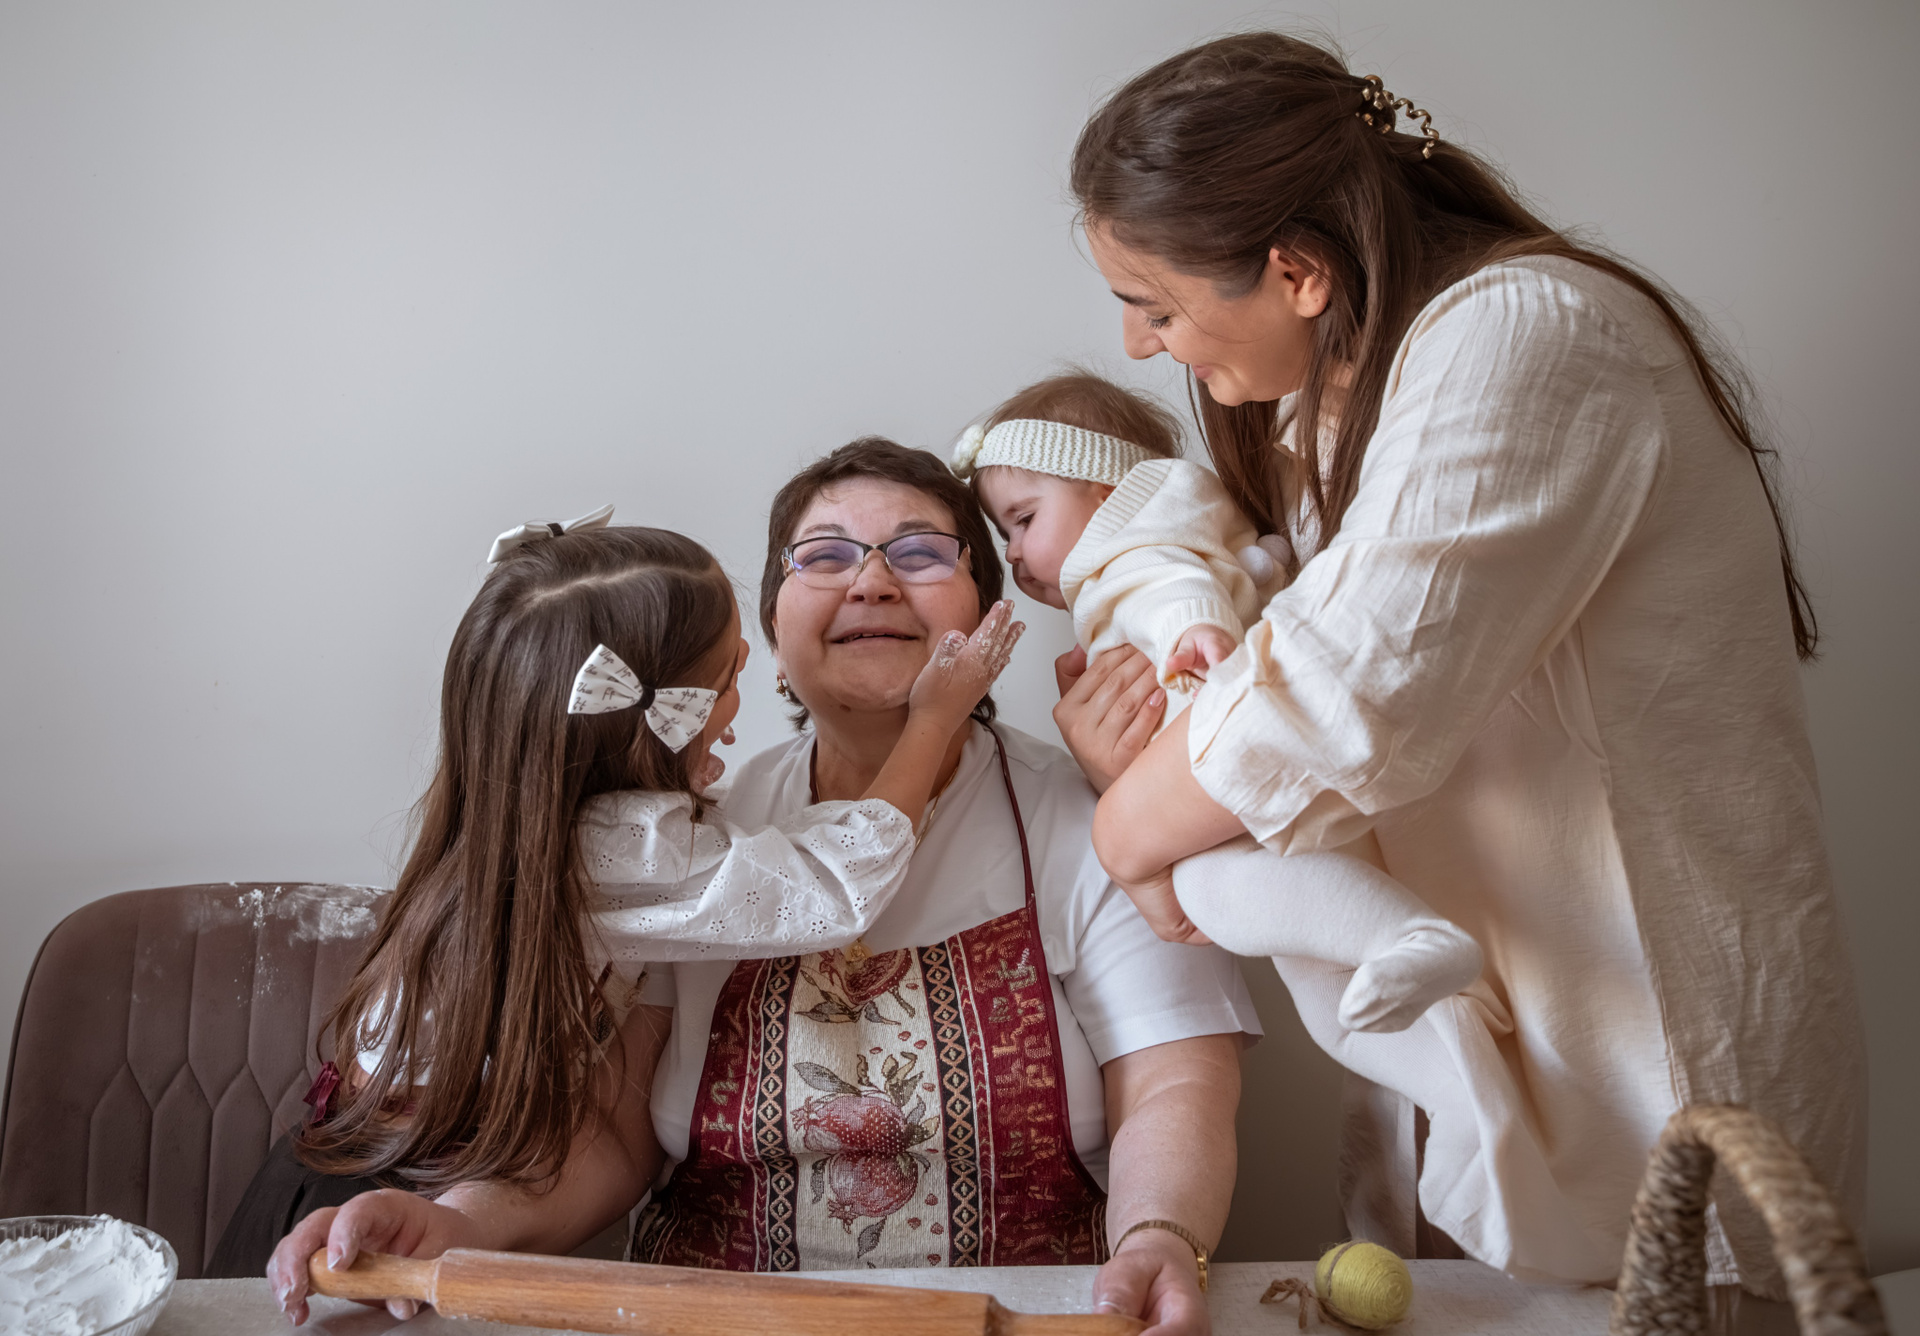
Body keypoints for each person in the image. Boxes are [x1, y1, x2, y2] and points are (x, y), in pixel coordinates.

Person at [1056, 30, 1866, 1311]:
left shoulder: (1526, 334)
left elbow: (1342, 695)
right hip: (1489, 1043)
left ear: (1296, 272)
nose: (1138, 343)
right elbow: (1269, 682)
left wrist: (1126, 828)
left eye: (1155, 305)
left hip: (1651, 1062)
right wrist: (1157, 750)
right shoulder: (1340, 398)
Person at [269, 440, 1259, 1336]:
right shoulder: (689, 841)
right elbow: (612, 1136)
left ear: (989, 616)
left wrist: (1160, 1236)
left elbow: (1174, 1087)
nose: (872, 580)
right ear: (771, 642)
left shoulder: (1103, 817)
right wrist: (455, 1223)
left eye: (921, 552)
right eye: (824, 556)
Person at [214, 512, 1021, 1278]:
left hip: (410, 1187)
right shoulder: (626, 849)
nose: (872, 584)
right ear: (660, 716)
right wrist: (932, 722)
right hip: (381, 1209)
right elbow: (834, 885)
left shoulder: (535, 821)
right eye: (730, 675)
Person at [957, 371, 1481, 1035]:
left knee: (1212, 893)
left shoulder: (1130, 554)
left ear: (1107, 492)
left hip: (1221, 776)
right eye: (1004, 534)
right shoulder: (1143, 562)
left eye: (1024, 520)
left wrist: (1195, 628)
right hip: (1226, 791)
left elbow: (1171, 587)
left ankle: (1409, 937)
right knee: (1336, 1001)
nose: (1013, 553)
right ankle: (1440, 1038)